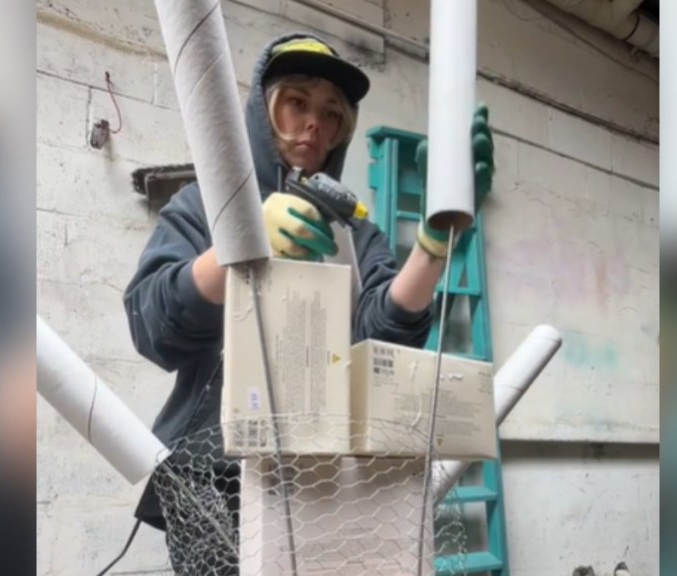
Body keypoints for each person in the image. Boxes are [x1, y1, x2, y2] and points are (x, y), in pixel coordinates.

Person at [123, 32, 493, 572]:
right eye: (296, 102)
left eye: (331, 113)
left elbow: (379, 337)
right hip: (218, 473)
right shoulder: (206, 203)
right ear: (265, 110)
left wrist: (436, 243)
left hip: (329, 472)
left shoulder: (355, 230)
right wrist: (238, 244)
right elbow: (151, 325)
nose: (313, 124)